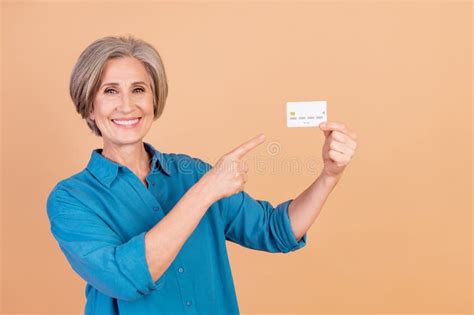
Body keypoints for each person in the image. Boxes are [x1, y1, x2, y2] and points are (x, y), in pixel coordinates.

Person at [46, 34, 357, 315]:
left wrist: (329, 175)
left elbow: (276, 230)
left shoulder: (192, 173)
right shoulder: (72, 199)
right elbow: (125, 278)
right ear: (89, 106)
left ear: (155, 100)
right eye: (110, 91)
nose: (127, 106)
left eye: (138, 89)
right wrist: (205, 192)